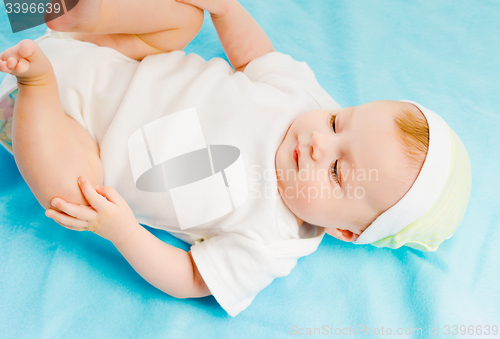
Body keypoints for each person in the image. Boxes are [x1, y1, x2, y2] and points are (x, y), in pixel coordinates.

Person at [0, 0, 471, 317]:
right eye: (338, 122)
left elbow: (190, 278)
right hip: (113, 55)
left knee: (74, 194)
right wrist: (227, 9)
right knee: (185, 18)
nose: (318, 142)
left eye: (335, 171)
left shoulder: (274, 241)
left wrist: (123, 230)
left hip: (68, 133)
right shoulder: (306, 97)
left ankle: (33, 83)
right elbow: (256, 57)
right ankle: (75, 15)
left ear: (343, 231)